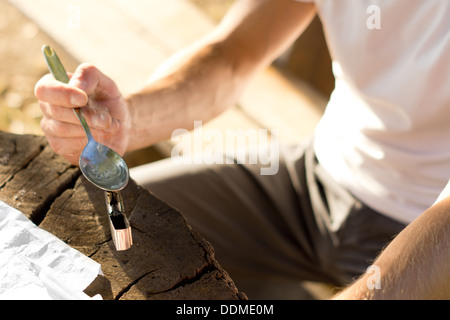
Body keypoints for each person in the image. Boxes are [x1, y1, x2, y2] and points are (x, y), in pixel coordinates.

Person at [35, 0, 449, 299]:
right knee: (72, 234)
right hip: (317, 174)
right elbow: (234, 54)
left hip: (429, 228)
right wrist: (123, 122)